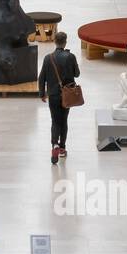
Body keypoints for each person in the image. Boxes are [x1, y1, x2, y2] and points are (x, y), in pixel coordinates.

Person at [37, 31, 81, 164]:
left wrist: (42, 93)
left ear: (55, 42)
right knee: (64, 120)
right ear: (65, 41)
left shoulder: (48, 58)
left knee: (55, 120)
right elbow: (77, 74)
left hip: (53, 95)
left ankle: (54, 145)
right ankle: (62, 148)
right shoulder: (70, 56)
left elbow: (41, 78)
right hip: (67, 95)